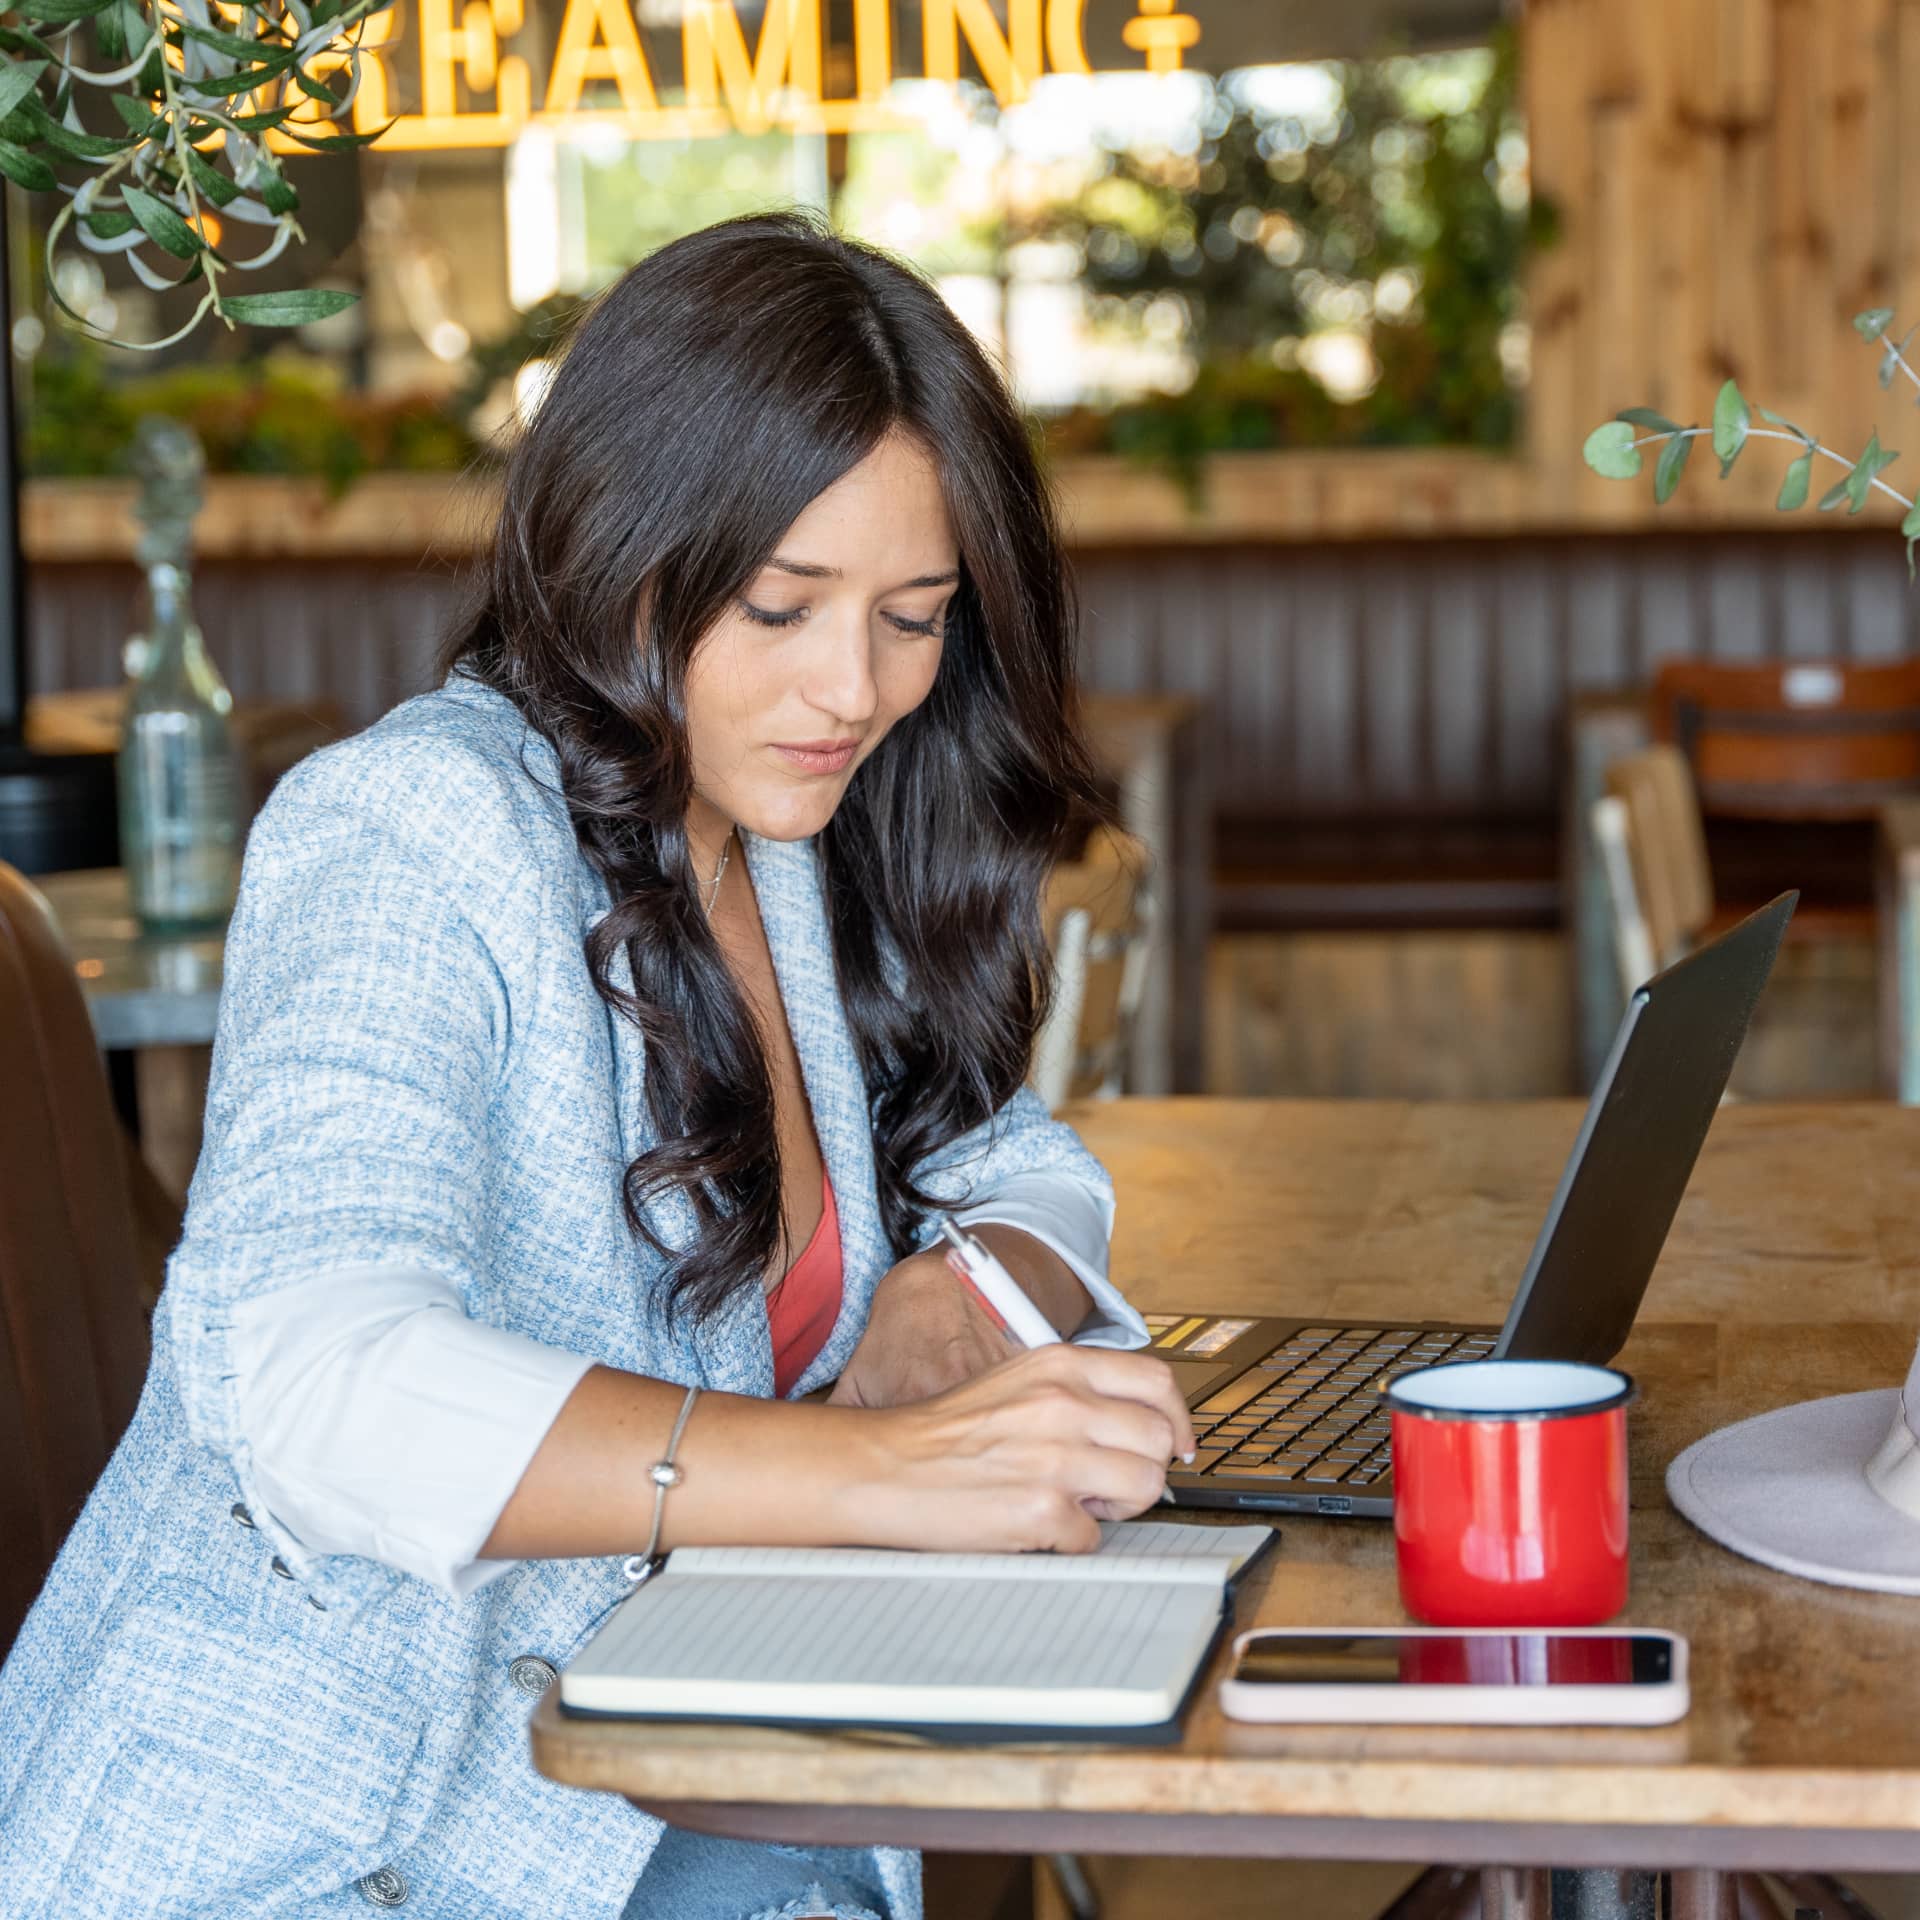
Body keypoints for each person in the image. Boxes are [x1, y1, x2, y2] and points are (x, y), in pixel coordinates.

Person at [0, 208, 1193, 1919]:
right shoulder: (415, 826)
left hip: (657, 1771)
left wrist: (969, 1305)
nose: (852, 688)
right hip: (338, 1839)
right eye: (782, 606)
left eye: (914, 617)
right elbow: (318, 1384)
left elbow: (1026, 1168)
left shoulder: (791, 825)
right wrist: (875, 1471)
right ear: (625, 549)